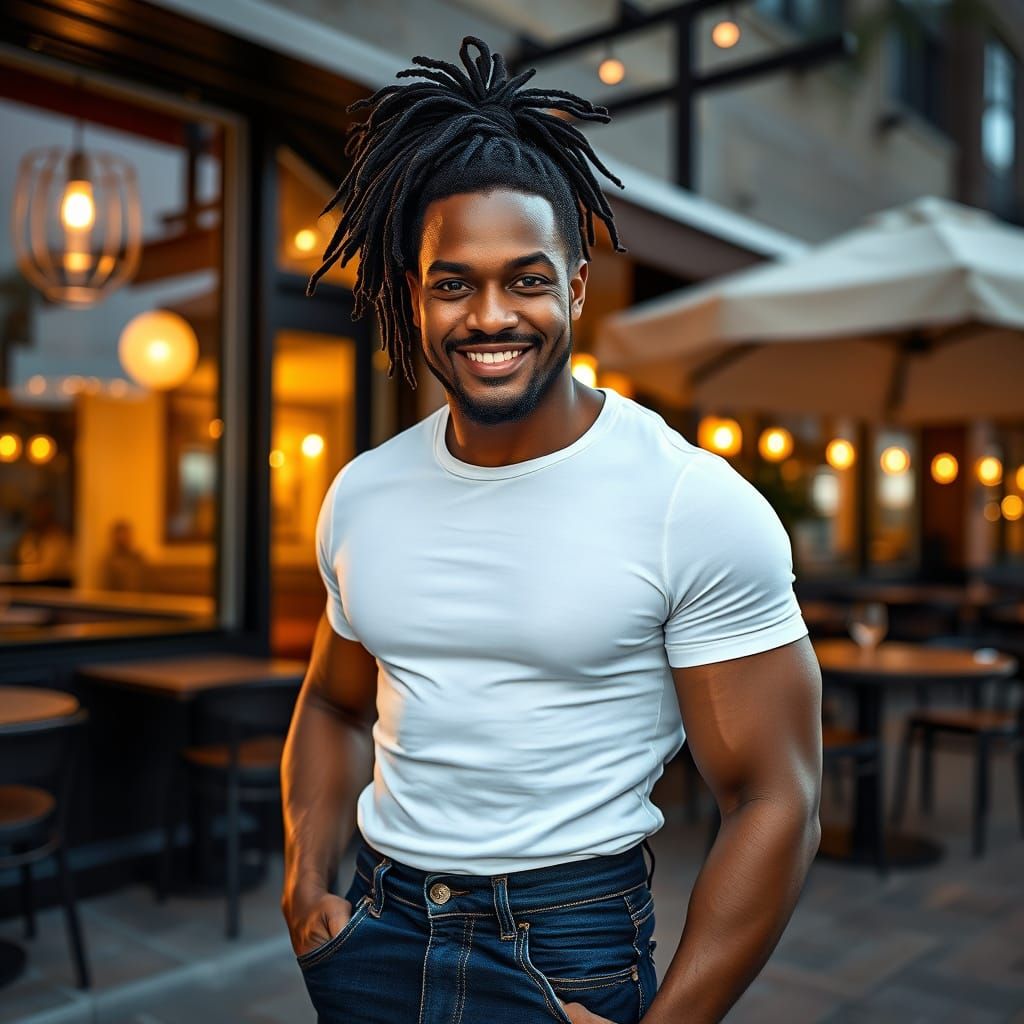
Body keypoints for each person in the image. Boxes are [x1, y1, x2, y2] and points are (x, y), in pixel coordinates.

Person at [281, 36, 822, 1024]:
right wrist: (307, 888)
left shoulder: (689, 503)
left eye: (525, 279)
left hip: (561, 947)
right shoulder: (362, 492)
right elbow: (331, 705)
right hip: (375, 926)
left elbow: (776, 797)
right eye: (454, 283)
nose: (490, 315)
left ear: (574, 288)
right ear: (413, 294)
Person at [99, 519, 148, 591]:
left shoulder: (138, 557)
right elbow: (106, 587)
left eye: (125, 534)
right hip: (117, 600)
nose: (123, 538)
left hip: (138, 599)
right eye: (120, 534)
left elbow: (144, 581)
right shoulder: (110, 561)